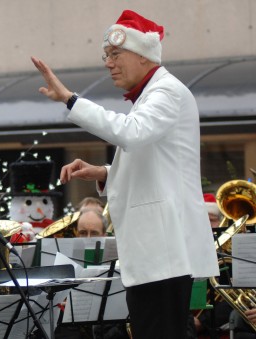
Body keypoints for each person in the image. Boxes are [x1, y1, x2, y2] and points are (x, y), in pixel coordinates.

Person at [32, 9, 219, 339]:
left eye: (115, 54)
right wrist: (105, 171)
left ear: (144, 55)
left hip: (163, 252)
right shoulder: (155, 94)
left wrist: (70, 99)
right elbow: (155, 161)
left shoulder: (166, 92)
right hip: (159, 253)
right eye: (106, 55)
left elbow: (131, 133)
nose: (108, 63)